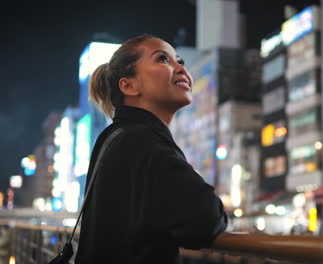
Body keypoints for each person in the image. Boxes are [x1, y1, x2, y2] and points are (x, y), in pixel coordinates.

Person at [75, 35, 228, 264]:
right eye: (163, 59)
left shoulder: (115, 136)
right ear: (129, 85)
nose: (179, 68)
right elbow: (206, 219)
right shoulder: (145, 141)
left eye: (180, 61)